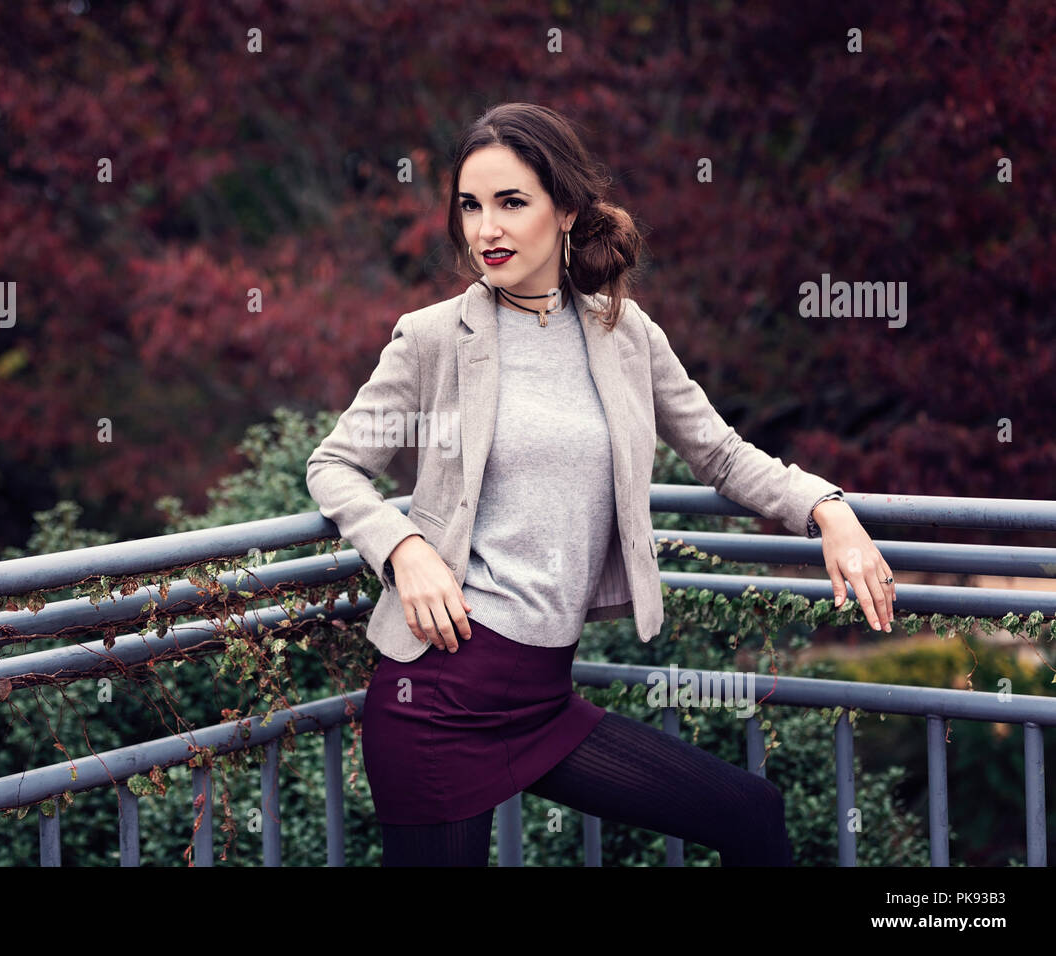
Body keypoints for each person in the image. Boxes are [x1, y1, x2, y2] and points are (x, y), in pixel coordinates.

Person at [305, 102, 897, 867]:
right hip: (437, 699)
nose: (487, 228)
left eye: (512, 203)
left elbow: (719, 453)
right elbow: (334, 464)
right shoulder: (432, 338)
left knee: (750, 812)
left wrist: (827, 507)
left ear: (568, 211)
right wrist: (405, 547)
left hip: (543, 700)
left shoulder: (624, 332)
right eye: (471, 206)